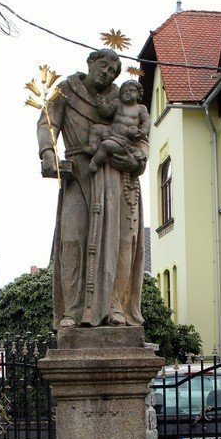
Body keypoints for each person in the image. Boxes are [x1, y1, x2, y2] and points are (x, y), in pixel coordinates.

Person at [37, 49, 147, 331]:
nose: (107, 73)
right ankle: (72, 309)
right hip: (77, 174)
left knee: (120, 244)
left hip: (115, 177)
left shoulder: (120, 97)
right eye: (103, 66)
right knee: (72, 238)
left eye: (113, 71)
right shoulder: (66, 90)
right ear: (90, 62)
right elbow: (48, 121)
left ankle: (115, 305)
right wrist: (48, 152)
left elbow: (140, 138)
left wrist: (136, 160)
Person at [88, 79, 150, 174]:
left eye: (131, 90)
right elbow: (107, 112)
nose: (127, 93)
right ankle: (93, 147)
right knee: (94, 129)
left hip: (124, 138)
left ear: (138, 94)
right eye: (124, 91)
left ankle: (95, 161)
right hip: (110, 130)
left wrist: (142, 132)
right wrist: (101, 104)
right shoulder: (118, 103)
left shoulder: (141, 108)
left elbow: (146, 121)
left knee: (106, 145)